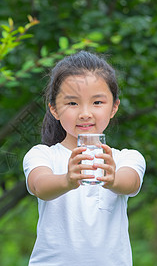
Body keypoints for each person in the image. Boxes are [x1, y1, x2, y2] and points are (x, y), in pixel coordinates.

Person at [23, 51, 146, 266]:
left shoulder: (126, 158)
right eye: (72, 103)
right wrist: (67, 180)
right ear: (54, 109)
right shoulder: (42, 155)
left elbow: (131, 182)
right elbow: (39, 186)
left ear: (114, 107)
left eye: (97, 102)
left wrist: (113, 180)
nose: (85, 113)